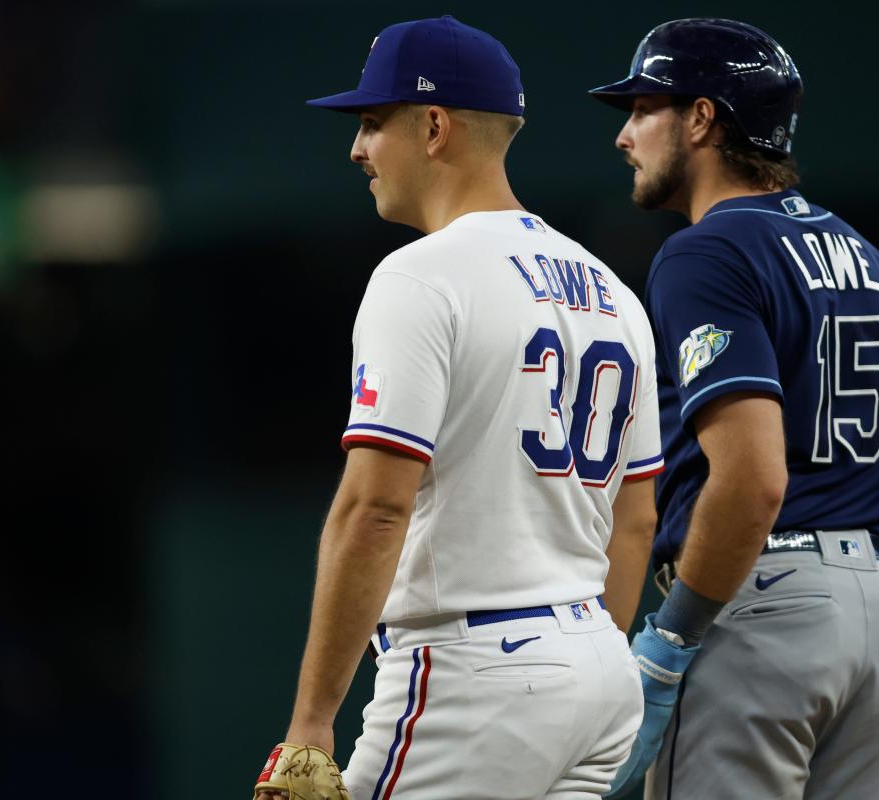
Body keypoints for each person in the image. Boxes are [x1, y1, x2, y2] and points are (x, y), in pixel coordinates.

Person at [253, 16, 664, 800]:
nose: (357, 149)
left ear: (434, 126)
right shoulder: (614, 291)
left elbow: (376, 507)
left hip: (474, 675)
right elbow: (636, 520)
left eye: (373, 123)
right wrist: (579, 669)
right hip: (598, 670)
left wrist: (310, 725)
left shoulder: (420, 277)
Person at [587, 18, 879, 800]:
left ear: (702, 118)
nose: (624, 135)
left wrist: (672, 637)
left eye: (643, 108)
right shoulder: (872, 260)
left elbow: (753, 475)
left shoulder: (707, 251)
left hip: (758, 605)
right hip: (877, 607)